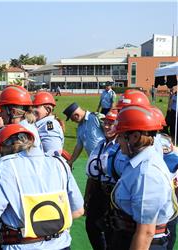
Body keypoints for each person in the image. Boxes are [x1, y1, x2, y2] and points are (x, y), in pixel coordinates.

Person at [0, 124, 84, 250]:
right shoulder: (60, 163)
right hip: (61, 245)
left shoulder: (4, 166)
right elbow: (78, 210)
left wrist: (1, 237)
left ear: (3, 148)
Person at [109, 105, 177, 250]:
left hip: (141, 241)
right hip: (128, 234)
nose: (117, 141)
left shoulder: (147, 173)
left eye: (120, 136)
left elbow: (146, 232)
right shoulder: (138, 161)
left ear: (134, 137)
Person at [84, 109, 119, 250]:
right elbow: (92, 175)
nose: (106, 126)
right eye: (105, 122)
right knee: (91, 227)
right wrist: (87, 197)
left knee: (110, 232)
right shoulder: (100, 145)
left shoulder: (121, 147)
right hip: (97, 193)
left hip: (112, 196)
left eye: (111, 123)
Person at [0, 85, 43, 155]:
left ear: (13, 112)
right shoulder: (27, 125)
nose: (0, 115)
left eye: (1, 111)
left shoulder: (20, 132)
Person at [63, 102, 105, 167]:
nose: (72, 121)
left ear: (76, 116)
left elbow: (112, 132)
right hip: (93, 162)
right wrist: (70, 161)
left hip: (106, 159)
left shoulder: (95, 117)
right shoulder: (80, 128)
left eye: (72, 119)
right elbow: (79, 146)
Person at [33, 91, 64, 156]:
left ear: (48, 110)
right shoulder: (42, 124)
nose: (32, 110)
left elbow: (53, 156)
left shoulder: (48, 127)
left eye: (36, 106)